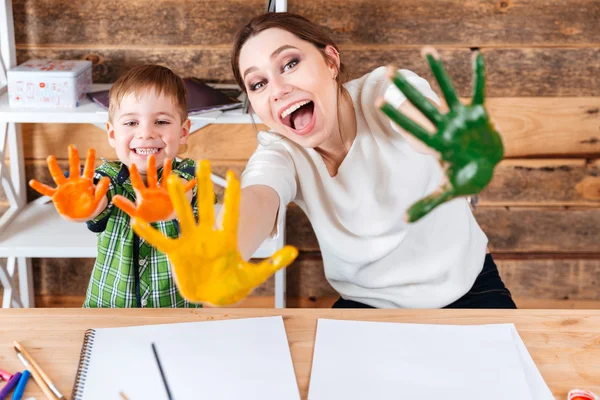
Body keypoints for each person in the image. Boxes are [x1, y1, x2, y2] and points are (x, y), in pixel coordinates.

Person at [228, 12, 516, 309]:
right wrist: (226, 250)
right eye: (258, 84)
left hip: (469, 288)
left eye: (289, 64)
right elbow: (260, 198)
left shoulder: (384, 91)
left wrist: (453, 140)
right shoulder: (280, 151)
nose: (278, 90)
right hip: (366, 304)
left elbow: (421, 119)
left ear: (330, 61)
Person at [30, 65, 199, 308]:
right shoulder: (106, 177)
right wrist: (81, 209)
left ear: (183, 132)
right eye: (131, 123)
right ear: (112, 133)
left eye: (161, 121)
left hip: (176, 307)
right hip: (109, 306)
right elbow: (97, 202)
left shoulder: (187, 174)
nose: (146, 133)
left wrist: (170, 204)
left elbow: (183, 194)